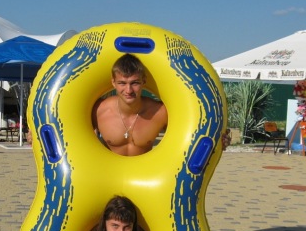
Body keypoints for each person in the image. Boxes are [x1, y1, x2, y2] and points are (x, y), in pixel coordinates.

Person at [92, 54, 230, 156]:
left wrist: (218, 142)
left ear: (144, 81)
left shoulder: (160, 112)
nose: (128, 90)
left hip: (145, 177)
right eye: (122, 83)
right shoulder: (98, 111)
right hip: (109, 175)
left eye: (135, 83)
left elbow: (192, 136)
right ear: (113, 83)